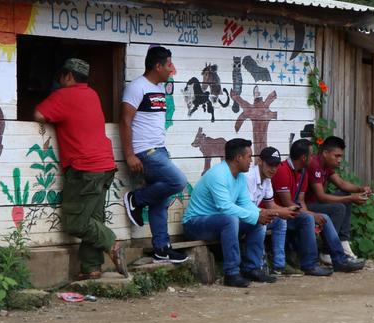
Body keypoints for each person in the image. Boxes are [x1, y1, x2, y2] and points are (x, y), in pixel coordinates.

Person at [35, 58, 126, 280]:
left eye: (61, 77)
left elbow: (39, 115)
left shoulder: (64, 95)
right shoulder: (92, 95)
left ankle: (112, 244)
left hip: (84, 168)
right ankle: (91, 268)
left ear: (68, 76)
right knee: (94, 218)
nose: (59, 81)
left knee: (76, 222)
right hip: (105, 166)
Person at [182, 139, 295, 287]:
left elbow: (245, 203)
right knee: (231, 219)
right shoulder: (218, 174)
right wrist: (256, 215)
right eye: (249, 157)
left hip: (217, 222)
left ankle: (252, 268)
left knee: (258, 222)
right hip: (194, 224)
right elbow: (225, 207)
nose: (251, 161)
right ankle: (232, 273)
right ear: (238, 158)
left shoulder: (240, 176)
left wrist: (260, 214)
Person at [120, 46, 189, 264]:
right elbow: (125, 121)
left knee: (160, 200)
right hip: (145, 151)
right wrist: (129, 155)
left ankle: (161, 248)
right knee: (178, 181)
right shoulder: (137, 87)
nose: (172, 69)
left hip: (159, 149)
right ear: (158, 66)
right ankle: (136, 199)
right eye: (169, 64)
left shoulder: (158, 88)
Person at [271, 138, 364, 275]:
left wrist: (312, 214)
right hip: (281, 213)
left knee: (323, 216)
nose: (313, 157)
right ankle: (310, 264)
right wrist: (312, 215)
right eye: (311, 154)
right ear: (304, 158)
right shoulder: (283, 170)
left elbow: (301, 201)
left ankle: (340, 260)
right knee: (308, 218)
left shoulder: (302, 172)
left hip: (294, 212)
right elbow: (288, 204)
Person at [305, 135, 370, 262]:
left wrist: (360, 189)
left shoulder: (326, 165)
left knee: (345, 195)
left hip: (317, 202)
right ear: (325, 153)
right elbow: (321, 197)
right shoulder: (315, 165)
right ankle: (326, 251)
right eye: (337, 156)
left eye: (341, 156)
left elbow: (341, 184)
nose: (339, 160)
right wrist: (351, 198)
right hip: (307, 206)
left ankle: (343, 242)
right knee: (339, 208)